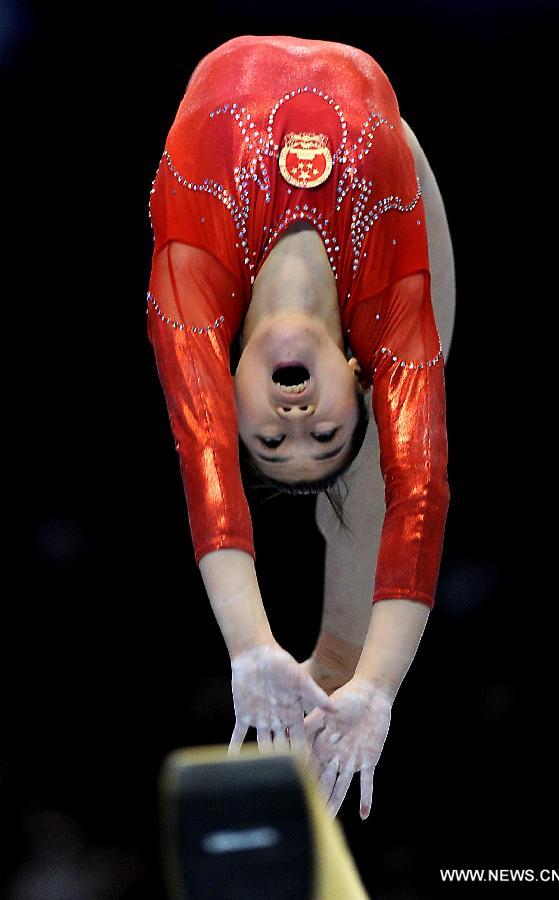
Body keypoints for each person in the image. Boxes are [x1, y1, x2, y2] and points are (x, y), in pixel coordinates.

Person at [146, 34, 454, 820]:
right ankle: (347, 671)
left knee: (362, 468)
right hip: (390, 196)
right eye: (321, 432)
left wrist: (250, 650)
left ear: (229, 392)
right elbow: (423, 496)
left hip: (238, 224)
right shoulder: (392, 322)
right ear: (355, 379)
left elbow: (205, 472)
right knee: (392, 460)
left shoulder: (189, 307)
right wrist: (379, 691)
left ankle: (327, 663)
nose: (295, 423)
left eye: (269, 441)